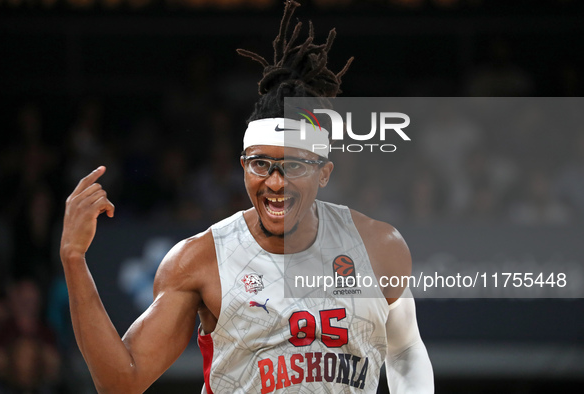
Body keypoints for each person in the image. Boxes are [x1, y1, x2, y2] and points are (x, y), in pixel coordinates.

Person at [59, 1, 433, 393]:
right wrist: (73, 258)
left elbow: (405, 349)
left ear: (324, 173)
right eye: (260, 164)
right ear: (242, 167)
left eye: (293, 166)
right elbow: (122, 381)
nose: (274, 182)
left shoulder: (378, 246)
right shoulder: (200, 260)